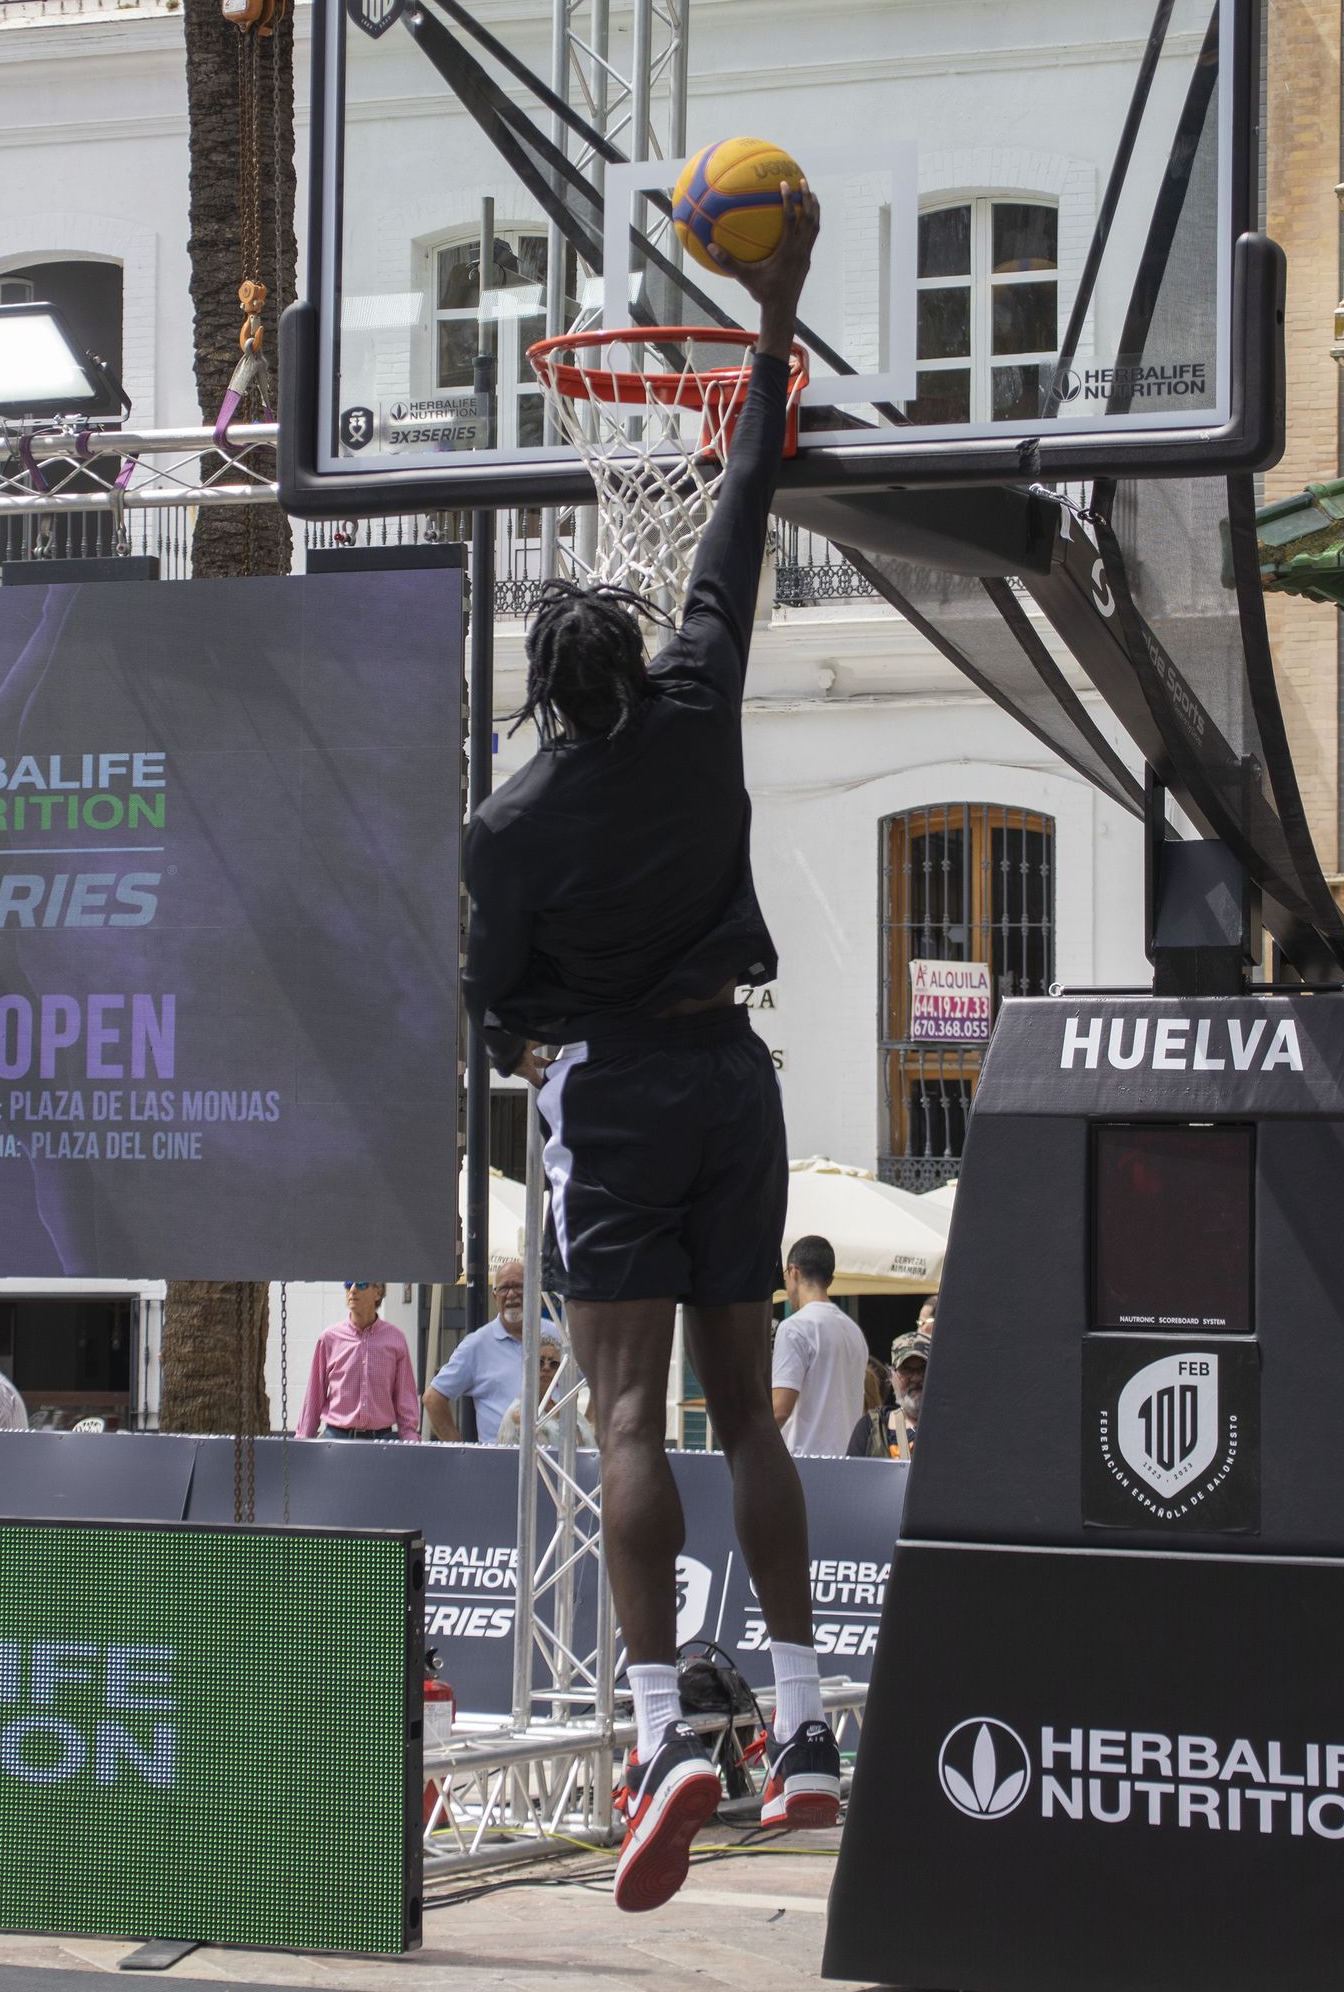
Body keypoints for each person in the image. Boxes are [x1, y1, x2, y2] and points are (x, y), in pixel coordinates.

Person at [463, 188, 840, 1917]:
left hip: (612, 1084)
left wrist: (549, 1030)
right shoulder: (699, 706)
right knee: (743, 1404)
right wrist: (775, 317)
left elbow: (501, 1008)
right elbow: (743, 505)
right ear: (636, 662)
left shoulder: (512, 821)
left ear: (546, 693)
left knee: (626, 1411)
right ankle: (805, 1717)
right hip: (736, 1076)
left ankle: (652, 1730)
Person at [424, 1259, 548, 1446]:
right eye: (504, 1288)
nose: (511, 1294)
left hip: (555, 1462)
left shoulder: (557, 1337)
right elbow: (433, 1398)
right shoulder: (477, 1344)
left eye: (517, 1286)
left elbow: (597, 1380)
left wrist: (591, 1425)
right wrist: (459, 1451)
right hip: (499, 1463)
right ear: (494, 1296)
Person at [771, 1235, 870, 1458]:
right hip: (848, 1463)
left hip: (805, 1463)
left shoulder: (794, 1328)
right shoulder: (854, 1332)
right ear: (830, 1279)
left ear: (793, 1272)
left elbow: (779, 1410)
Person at [296, 1280, 420, 1442]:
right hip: (336, 1440)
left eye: (361, 1284)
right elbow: (314, 1394)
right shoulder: (329, 1338)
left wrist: (411, 1441)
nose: (353, 1290)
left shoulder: (396, 1339)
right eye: (348, 1284)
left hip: (381, 1440)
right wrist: (302, 1441)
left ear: (378, 1292)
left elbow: (405, 1396)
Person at [497, 1331, 597, 1449]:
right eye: (540, 1362)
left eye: (554, 1364)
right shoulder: (520, 1413)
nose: (546, 1368)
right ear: (528, 1367)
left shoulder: (565, 1408)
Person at [847, 1331, 929, 1460]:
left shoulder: (950, 1428)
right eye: (906, 1369)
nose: (916, 1378)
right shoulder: (871, 1428)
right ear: (892, 1377)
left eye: (923, 1369)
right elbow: (850, 1477)